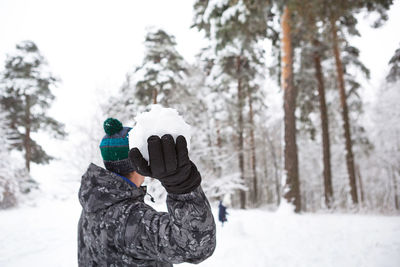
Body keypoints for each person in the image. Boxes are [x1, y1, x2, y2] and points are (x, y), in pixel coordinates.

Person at [78, 118, 216, 266]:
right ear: (137, 163)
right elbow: (196, 247)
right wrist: (183, 188)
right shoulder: (132, 218)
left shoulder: (93, 205)